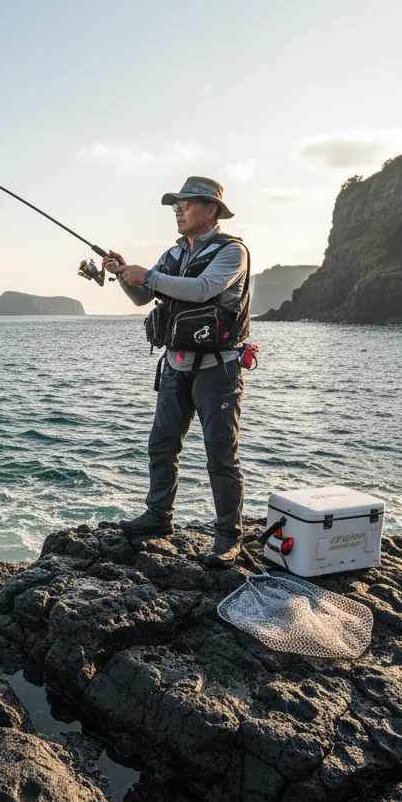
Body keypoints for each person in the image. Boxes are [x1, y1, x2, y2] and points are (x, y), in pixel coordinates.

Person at [103, 176, 251, 568]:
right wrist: (122, 272)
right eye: (176, 205)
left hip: (218, 370)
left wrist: (147, 275)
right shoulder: (172, 255)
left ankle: (228, 538)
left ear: (211, 210)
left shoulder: (232, 252)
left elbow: (203, 289)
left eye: (186, 204)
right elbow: (141, 297)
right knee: (162, 444)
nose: (178, 211)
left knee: (221, 455)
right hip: (175, 365)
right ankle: (158, 517)